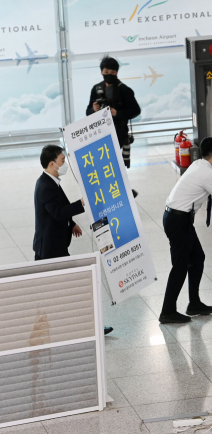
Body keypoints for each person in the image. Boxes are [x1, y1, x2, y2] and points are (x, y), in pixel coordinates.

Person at [33, 146, 113, 336]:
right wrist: (82, 203)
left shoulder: (51, 181)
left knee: (61, 290)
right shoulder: (45, 186)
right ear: (52, 164)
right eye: (62, 160)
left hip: (52, 246)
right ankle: (87, 327)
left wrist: (71, 224)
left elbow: (58, 209)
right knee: (68, 289)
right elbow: (58, 212)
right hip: (50, 249)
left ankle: (81, 326)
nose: (64, 164)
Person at [160, 137, 212, 324]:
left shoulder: (198, 164)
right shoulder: (208, 174)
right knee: (180, 266)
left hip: (178, 218)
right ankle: (167, 311)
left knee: (197, 258)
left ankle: (194, 303)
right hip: (177, 221)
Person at [86, 56, 141, 173]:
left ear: (117, 73)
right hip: (100, 132)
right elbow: (88, 112)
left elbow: (136, 110)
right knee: (103, 164)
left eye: (112, 72)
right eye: (106, 72)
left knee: (114, 164)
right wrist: (93, 110)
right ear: (101, 71)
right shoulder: (96, 89)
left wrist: (117, 113)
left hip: (118, 132)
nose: (109, 75)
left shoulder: (124, 90)